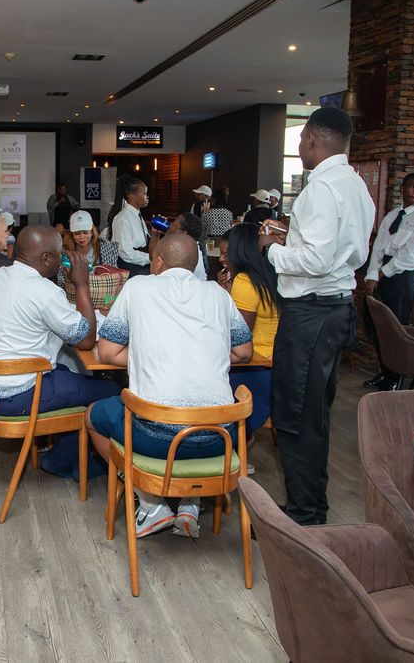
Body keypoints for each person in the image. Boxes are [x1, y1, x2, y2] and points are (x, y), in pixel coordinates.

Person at [87, 233, 253, 538]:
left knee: (92, 417)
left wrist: (149, 354)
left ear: (159, 262)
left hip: (156, 438)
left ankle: (152, 504)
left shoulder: (137, 287)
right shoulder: (218, 294)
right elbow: (244, 352)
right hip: (221, 438)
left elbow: (107, 353)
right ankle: (190, 503)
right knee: (197, 413)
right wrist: (201, 352)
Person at [258, 106, 373, 527]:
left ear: (310, 139)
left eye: (302, 140)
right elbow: (343, 251)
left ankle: (304, 514)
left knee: (295, 414)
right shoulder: (355, 185)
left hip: (311, 314)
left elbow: (317, 260)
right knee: (315, 414)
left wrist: (272, 249)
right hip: (336, 307)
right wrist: (292, 238)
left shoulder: (321, 188)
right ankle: (312, 505)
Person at [0, 225, 118, 416]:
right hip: (17, 395)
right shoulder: (45, 291)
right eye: (59, 253)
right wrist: (82, 285)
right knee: (113, 389)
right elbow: (86, 341)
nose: (61, 258)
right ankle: (66, 435)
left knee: (67, 371)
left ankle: (57, 431)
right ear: (46, 258)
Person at [362, 173, 414, 390]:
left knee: (395, 327)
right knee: (377, 325)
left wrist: (382, 273)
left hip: (401, 277)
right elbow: (378, 247)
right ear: (402, 188)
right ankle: (384, 371)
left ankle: (394, 377)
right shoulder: (393, 215)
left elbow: (410, 256)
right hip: (381, 272)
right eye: (412, 186)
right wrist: (372, 274)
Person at [220, 223, 280, 436]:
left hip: (254, 366)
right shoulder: (271, 275)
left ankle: (234, 442)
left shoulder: (244, 281)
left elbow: (239, 339)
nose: (221, 259)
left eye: (225, 253)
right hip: (278, 363)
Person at [107, 175, 154, 277]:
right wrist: (149, 258)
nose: (147, 197)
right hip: (132, 270)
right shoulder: (123, 219)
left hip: (142, 265)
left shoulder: (137, 215)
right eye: (144, 193)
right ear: (132, 196)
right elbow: (125, 252)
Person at [161, 212, 207, 280]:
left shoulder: (182, 251)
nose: (169, 225)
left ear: (184, 233)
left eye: (173, 224)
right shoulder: (192, 246)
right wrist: (155, 234)